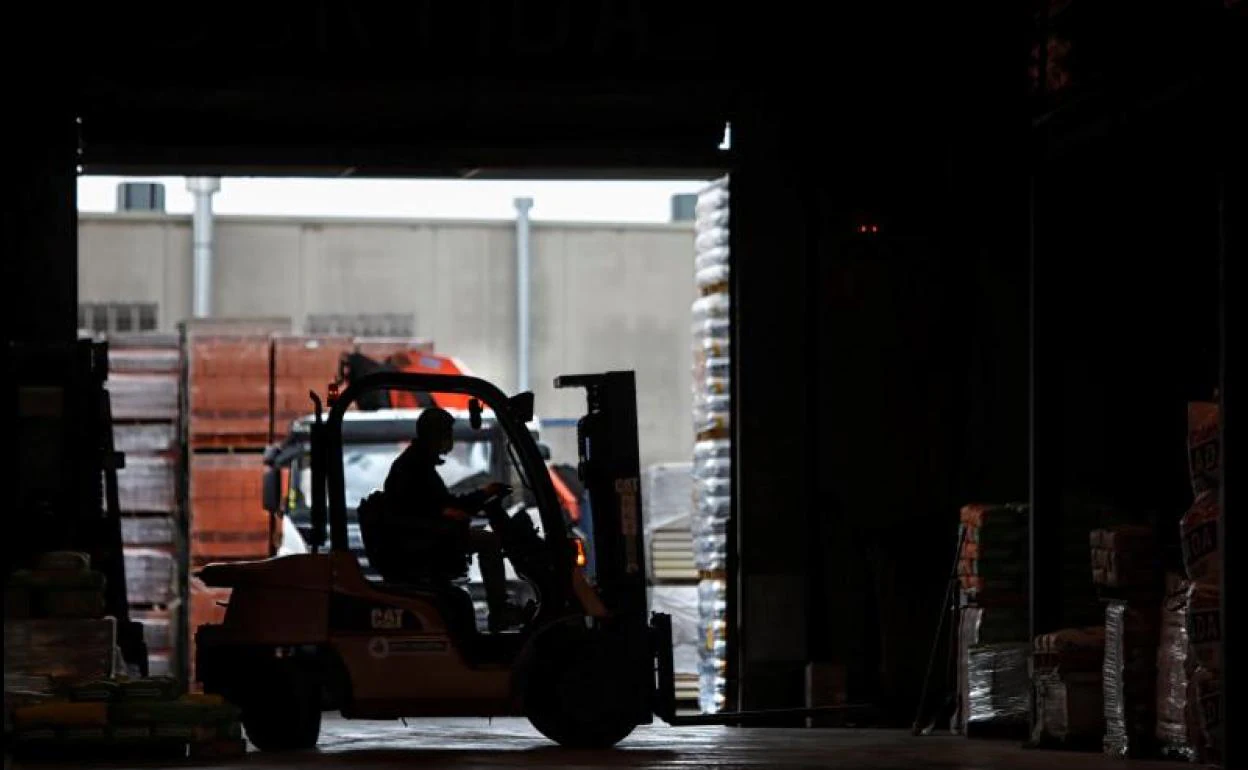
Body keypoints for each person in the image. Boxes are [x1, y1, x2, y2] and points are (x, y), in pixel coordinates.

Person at [382, 406, 515, 631]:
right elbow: (434, 507)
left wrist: (482, 495)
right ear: (436, 435)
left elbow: (440, 504)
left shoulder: (418, 463)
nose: (450, 440)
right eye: (447, 434)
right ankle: (499, 611)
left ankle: (500, 610)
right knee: (490, 542)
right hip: (421, 542)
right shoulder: (415, 466)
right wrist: (474, 501)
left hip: (422, 537)